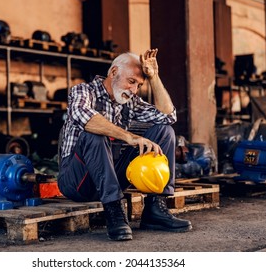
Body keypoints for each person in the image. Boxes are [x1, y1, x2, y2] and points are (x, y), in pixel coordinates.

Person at [57, 48, 192, 241]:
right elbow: (84, 117)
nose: (134, 90)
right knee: (94, 134)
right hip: (78, 181)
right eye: (131, 81)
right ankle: (114, 211)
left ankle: (156, 209)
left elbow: (168, 116)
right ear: (113, 73)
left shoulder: (130, 102)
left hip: (110, 177)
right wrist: (130, 137)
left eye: (138, 84)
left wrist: (154, 77)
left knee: (164, 131)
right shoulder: (83, 91)